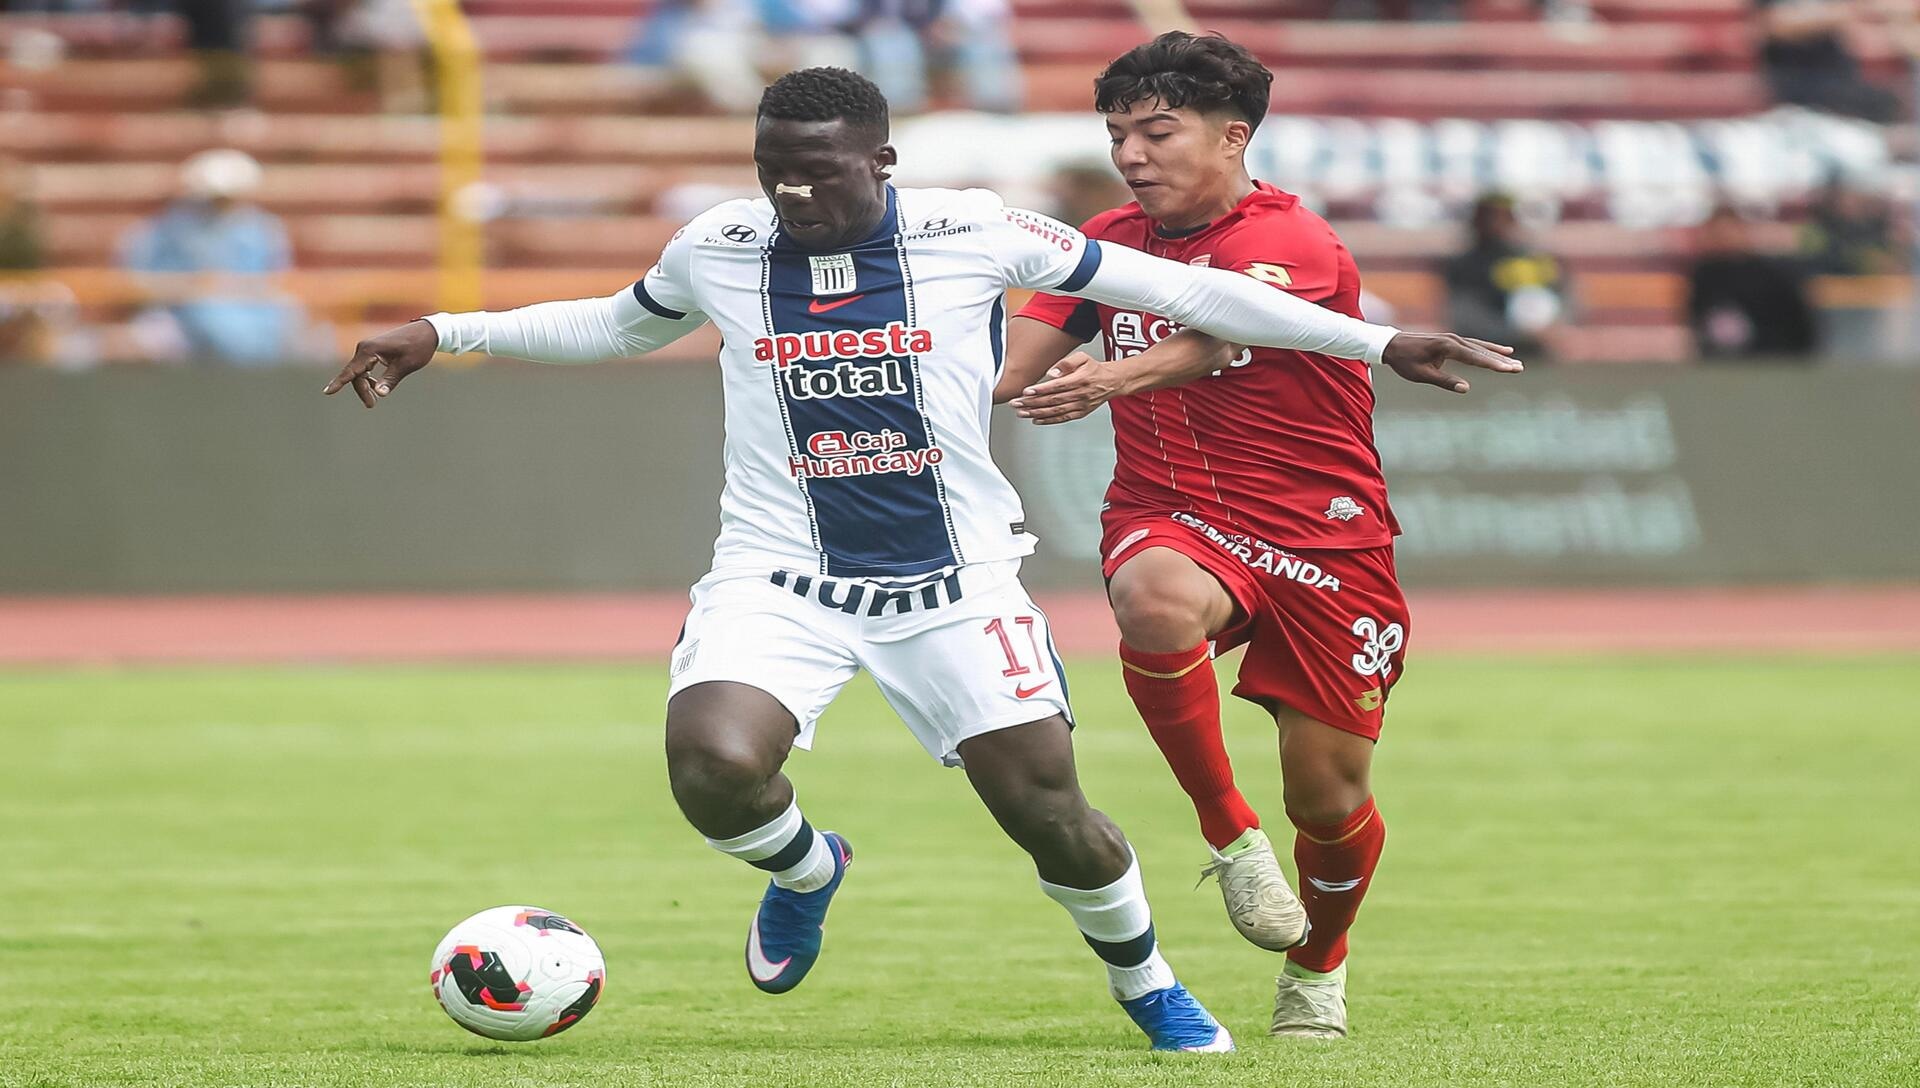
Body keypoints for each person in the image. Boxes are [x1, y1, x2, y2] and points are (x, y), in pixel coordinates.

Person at [325, 66, 1510, 1051]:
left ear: (882, 162)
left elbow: (1188, 292)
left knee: (1053, 816)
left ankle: (1145, 979)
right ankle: (804, 870)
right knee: (710, 764)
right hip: (779, 571)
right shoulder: (723, 245)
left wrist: (1378, 337)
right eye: (773, 167)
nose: (792, 191)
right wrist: (444, 331)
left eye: (821, 168)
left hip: (955, 580)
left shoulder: (974, 230)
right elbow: (614, 322)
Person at [1000, 32, 1520, 1040]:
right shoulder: (1104, 239)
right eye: (1118, 135)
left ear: (1234, 136)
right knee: (1151, 598)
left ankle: (1319, 962)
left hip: (1326, 539)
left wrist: (1110, 375)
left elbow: (1227, 330)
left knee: (1328, 800)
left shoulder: (1296, 238)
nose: (1132, 156)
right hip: (1174, 510)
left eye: (1158, 131)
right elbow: (1015, 365)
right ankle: (1231, 837)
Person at [119, 149, 304, 366]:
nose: (220, 205)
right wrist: (188, 289)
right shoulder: (164, 231)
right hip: (178, 319)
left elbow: (275, 281)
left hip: (254, 319)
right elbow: (139, 281)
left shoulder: (263, 230)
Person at [1442, 191, 1566, 362]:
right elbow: (1465, 315)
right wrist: (1518, 335)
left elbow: (1564, 297)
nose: (1496, 223)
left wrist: (1556, 327)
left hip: (1540, 353)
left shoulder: (1539, 259)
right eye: (1489, 217)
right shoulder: (1466, 264)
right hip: (1487, 354)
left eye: (1504, 217)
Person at [1688, 204, 1819, 360]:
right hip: (1723, 361)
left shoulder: (1770, 273)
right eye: (1717, 233)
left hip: (1772, 357)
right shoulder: (1704, 274)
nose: (1724, 238)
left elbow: (1797, 323)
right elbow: (1699, 319)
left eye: (1729, 231)